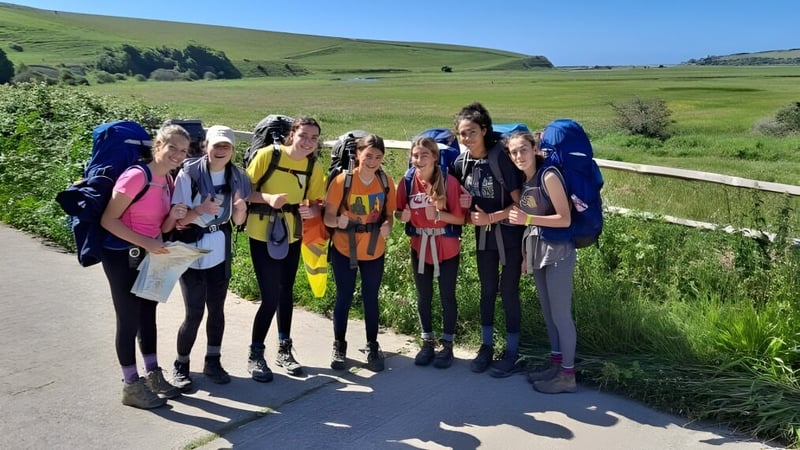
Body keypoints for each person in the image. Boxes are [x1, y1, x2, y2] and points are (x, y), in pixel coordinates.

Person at [99, 124, 189, 409]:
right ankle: (130, 385)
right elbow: (108, 221)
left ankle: (153, 375)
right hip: (120, 255)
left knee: (147, 315)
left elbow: (159, 226)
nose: (177, 154)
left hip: (148, 255)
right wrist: (148, 243)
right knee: (128, 319)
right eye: (172, 147)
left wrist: (173, 218)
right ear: (158, 145)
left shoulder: (169, 181)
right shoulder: (136, 176)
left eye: (183, 150)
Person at [169, 125, 251, 390]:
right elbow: (178, 221)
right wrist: (201, 210)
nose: (221, 150)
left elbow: (239, 221)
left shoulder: (237, 176)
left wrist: (240, 209)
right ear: (206, 147)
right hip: (190, 245)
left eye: (226, 145)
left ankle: (212, 361)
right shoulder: (188, 174)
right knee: (194, 312)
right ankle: (181, 364)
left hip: (219, 246)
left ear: (233, 150)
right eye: (217, 145)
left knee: (217, 309)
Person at [245, 116, 326, 382]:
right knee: (269, 297)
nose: (308, 142)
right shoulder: (268, 155)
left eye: (314, 138)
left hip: (292, 234)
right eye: (303, 136)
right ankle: (256, 354)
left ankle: (284, 349)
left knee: (285, 293)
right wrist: (267, 198)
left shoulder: (313, 166)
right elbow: (244, 192)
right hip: (261, 232)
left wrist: (310, 210)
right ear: (292, 134)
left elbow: (317, 205)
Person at [449, 102, 525, 377]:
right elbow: (463, 209)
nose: (466, 138)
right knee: (487, 292)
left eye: (471, 132)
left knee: (508, 292)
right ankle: (486, 346)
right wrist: (468, 209)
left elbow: (523, 205)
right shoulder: (462, 164)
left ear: (484, 130)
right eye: (461, 134)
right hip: (483, 240)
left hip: (511, 237)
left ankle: (513, 351)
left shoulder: (501, 158)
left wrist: (492, 217)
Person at [506, 131, 578, 394]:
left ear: (535, 148)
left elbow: (564, 219)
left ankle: (568, 376)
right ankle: (557, 365)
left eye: (523, 150)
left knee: (561, 316)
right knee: (549, 315)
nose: (518, 156)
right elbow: (533, 221)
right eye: (513, 152)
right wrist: (527, 257)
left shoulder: (549, 176)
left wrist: (526, 220)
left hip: (558, 252)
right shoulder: (528, 179)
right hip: (538, 251)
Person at [324, 134, 397, 372]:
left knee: (371, 298)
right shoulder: (342, 182)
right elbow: (328, 217)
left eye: (378, 157)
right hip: (345, 249)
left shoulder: (386, 182)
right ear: (358, 155)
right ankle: (339, 344)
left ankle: (372, 344)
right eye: (368, 156)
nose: (373, 161)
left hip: (374, 249)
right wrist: (338, 222)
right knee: (343, 296)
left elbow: (389, 215)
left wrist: (389, 225)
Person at [395, 137, 466, 369]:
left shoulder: (450, 182)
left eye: (424, 155)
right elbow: (398, 212)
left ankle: (447, 345)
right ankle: (427, 342)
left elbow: (460, 218)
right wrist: (400, 216)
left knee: (447, 296)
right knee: (424, 296)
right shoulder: (406, 182)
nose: (418, 160)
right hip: (419, 247)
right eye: (415, 155)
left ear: (435, 157)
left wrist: (437, 215)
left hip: (447, 249)